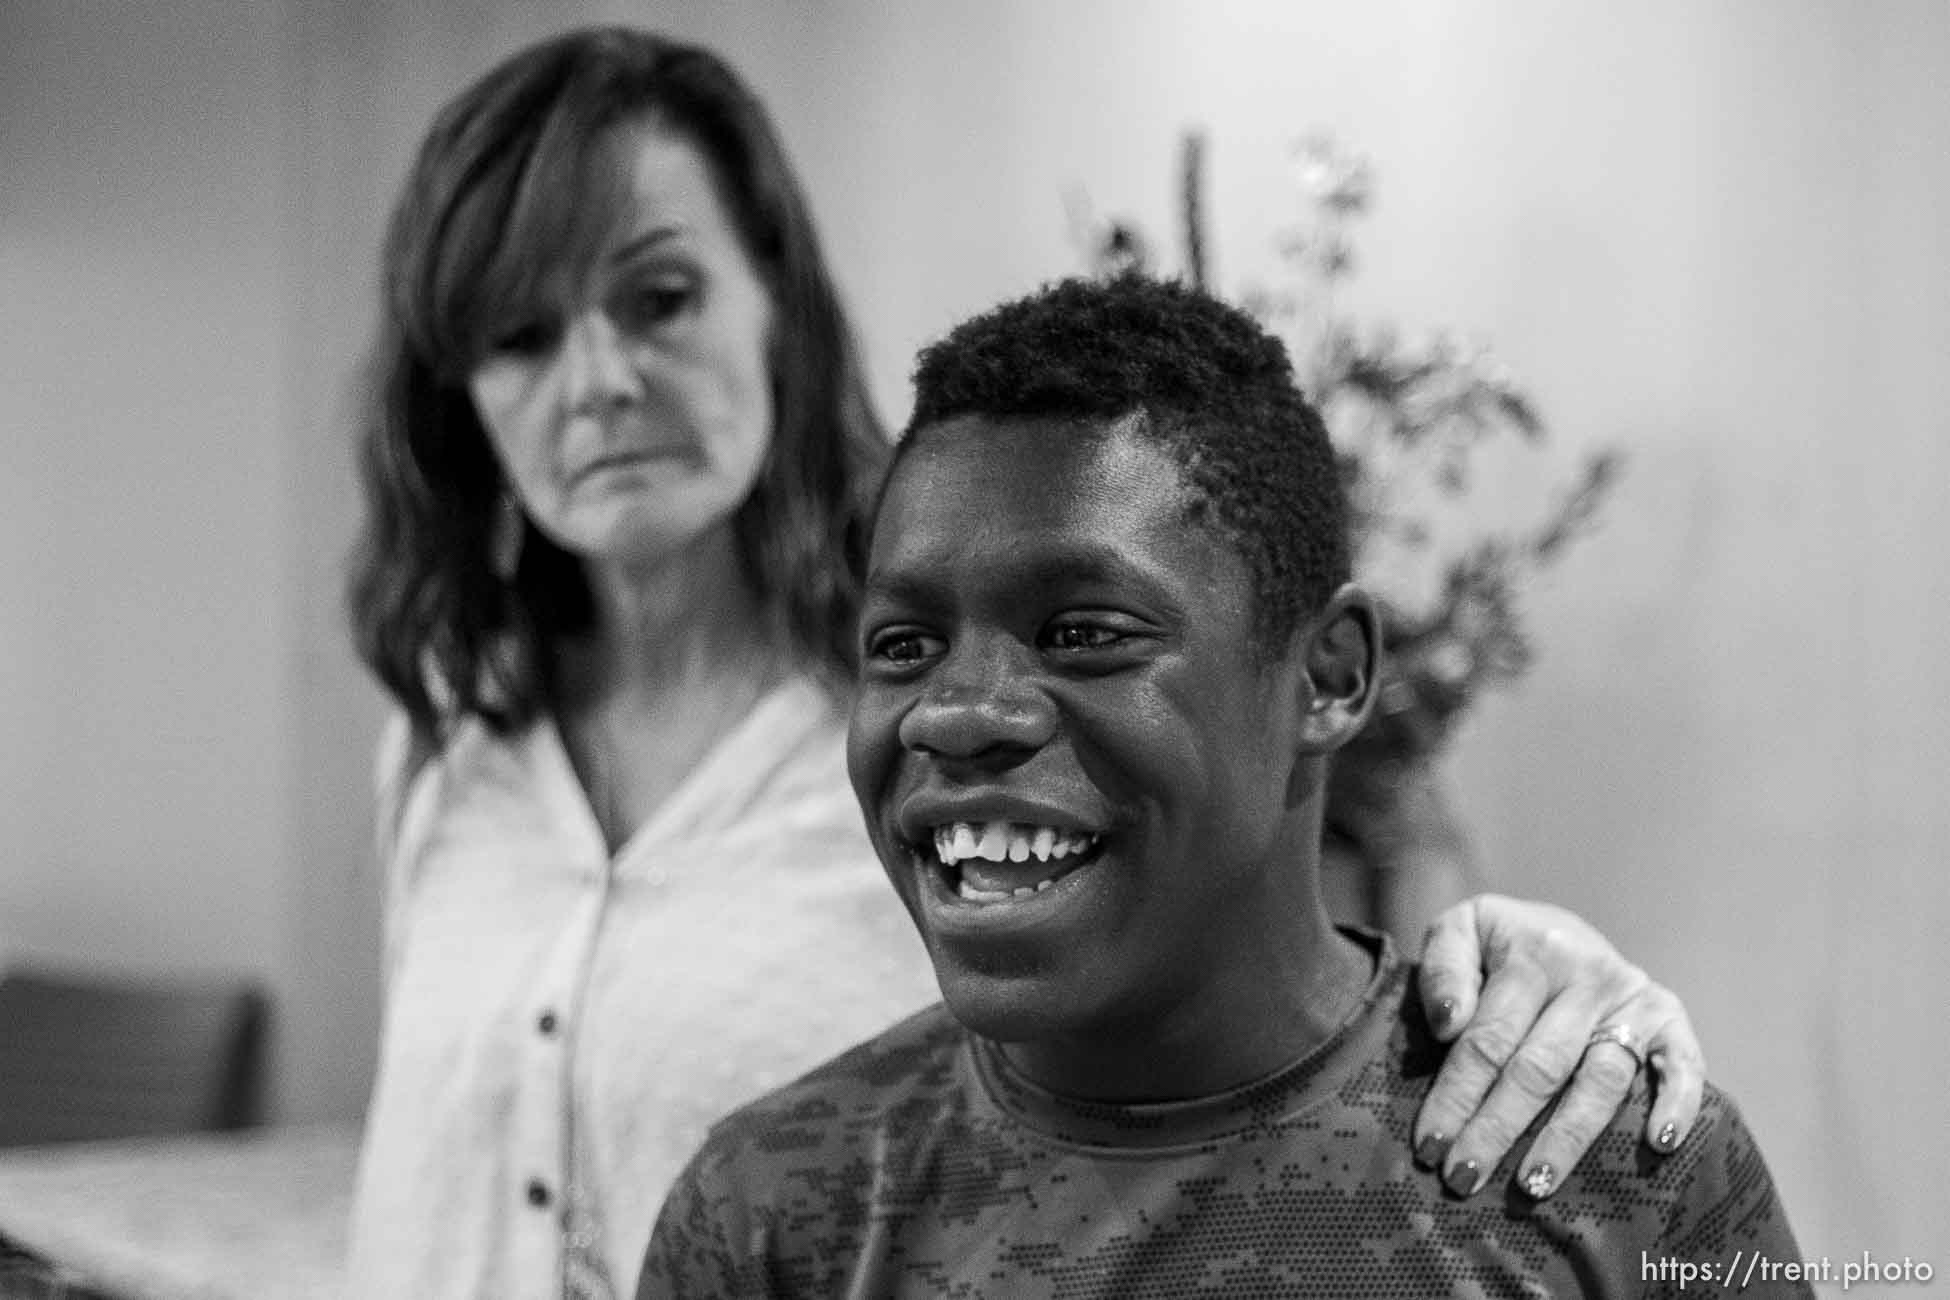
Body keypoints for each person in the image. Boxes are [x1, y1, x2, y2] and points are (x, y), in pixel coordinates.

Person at [346, 27, 1709, 1299]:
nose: (595, 382)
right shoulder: (450, 739)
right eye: (517, 335)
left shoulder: (942, 729)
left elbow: (1317, 935)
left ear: (775, 299)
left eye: (658, 298)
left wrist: (1525, 979)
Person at [639, 275, 1807, 1298]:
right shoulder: (771, 1213)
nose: (957, 710)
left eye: (1084, 630)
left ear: (1329, 677)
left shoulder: (1605, 1164)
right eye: (903, 646)